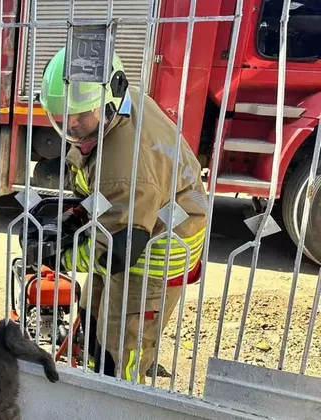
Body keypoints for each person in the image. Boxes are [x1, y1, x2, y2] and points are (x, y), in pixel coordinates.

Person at [38, 47, 208, 382]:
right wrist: (76, 215)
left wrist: (56, 257)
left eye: (80, 116)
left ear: (108, 103)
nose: (71, 125)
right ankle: (94, 376)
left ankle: (122, 397)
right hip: (133, 229)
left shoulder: (125, 169)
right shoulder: (122, 102)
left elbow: (115, 252)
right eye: (63, 117)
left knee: (122, 350)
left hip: (151, 259)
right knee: (92, 318)